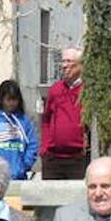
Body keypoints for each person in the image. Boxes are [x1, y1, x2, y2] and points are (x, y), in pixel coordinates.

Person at [0, 80, 38, 181]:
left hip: (18, 177)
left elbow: (32, 144)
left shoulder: (24, 121)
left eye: (15, 100)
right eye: (8, 99)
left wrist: (24, 165)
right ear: (1, 99)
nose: (12, 103)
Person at [41, 47, 88, 180]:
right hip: (52, 158)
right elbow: (46, 120)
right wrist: (44, 148)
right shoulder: (55, 90)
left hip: (77, 158)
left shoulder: (87, 91)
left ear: (80, 65)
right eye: (63, 62)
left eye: (69, 61)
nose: (64, 65)